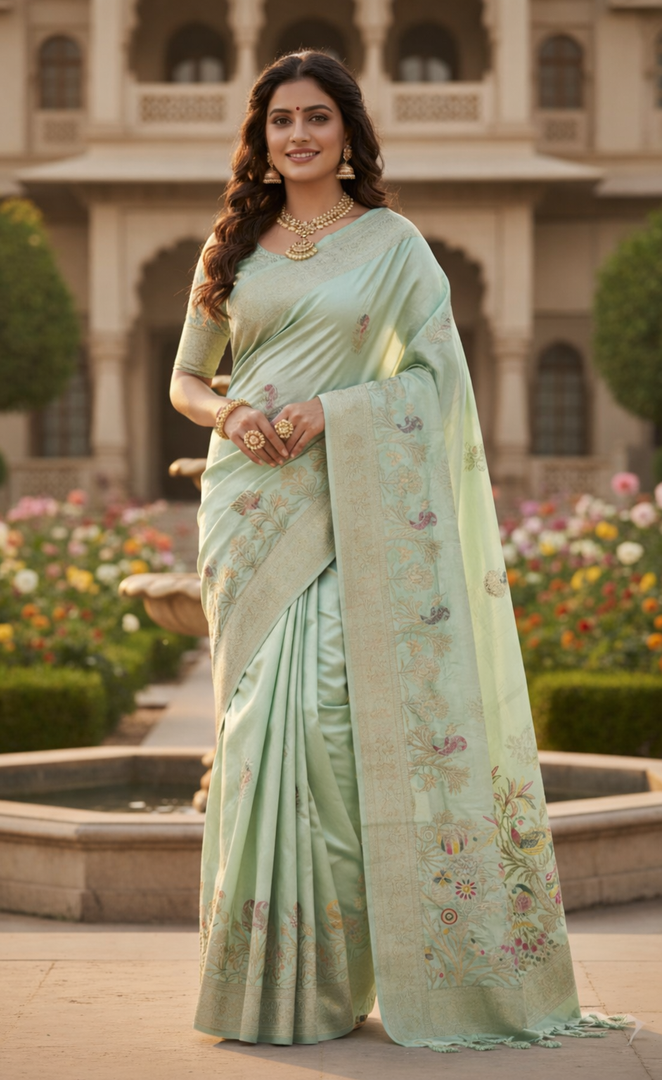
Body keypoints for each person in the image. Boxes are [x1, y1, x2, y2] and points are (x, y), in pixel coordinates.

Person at [170, 50, 626, 1051]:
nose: (298, 135)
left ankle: (335, 980)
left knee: (331, 727)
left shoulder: (396, 245)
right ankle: (260, 983)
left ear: (348, 132)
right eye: (282, 119)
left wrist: (333, 413)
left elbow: (434, 385)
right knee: (253, 741)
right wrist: (233, 413)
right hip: (248, 508)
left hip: (346, 503)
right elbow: (187, 384)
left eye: (317, 118)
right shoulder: (231, 242)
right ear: (262, 135)